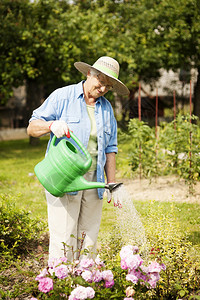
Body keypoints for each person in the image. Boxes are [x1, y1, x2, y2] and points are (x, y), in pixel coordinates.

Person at [27, 56, 129, 261]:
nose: (102, 90)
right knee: (64, 235)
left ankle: (85, 285)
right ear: (89, 74)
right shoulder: (63, 96)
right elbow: (31, 127)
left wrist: (112, 183)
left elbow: (110, 148)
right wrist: (50, 126)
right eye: (101, 83)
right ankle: (61, 283)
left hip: (94, 178)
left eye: (108, 87)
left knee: (89, 236)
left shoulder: (106, 108)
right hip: (64, 176)